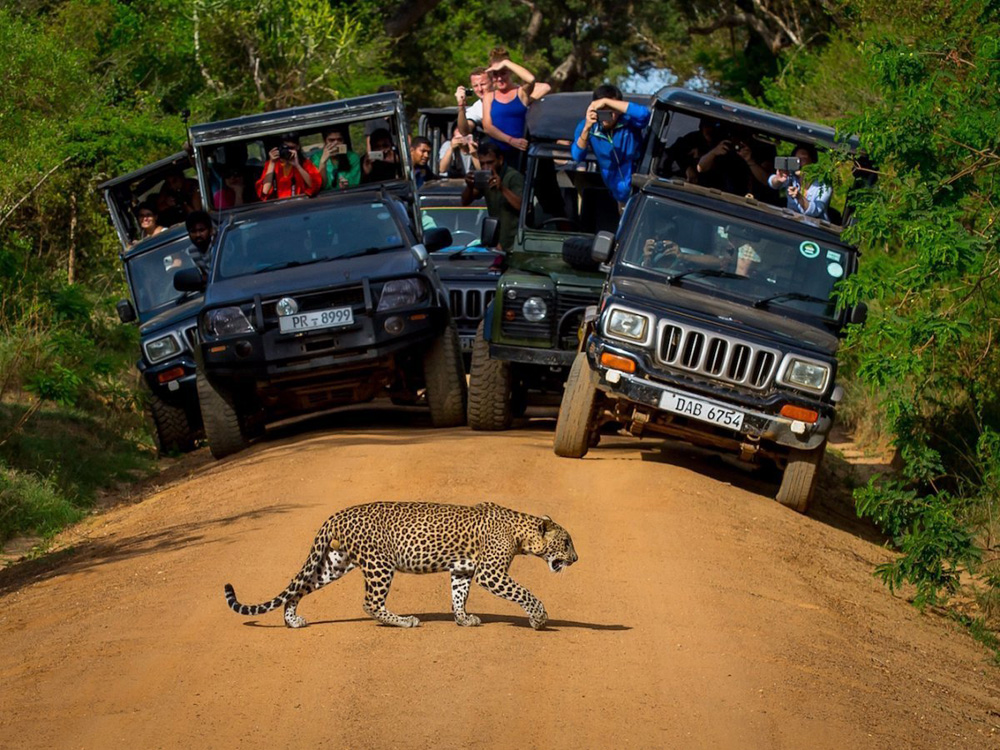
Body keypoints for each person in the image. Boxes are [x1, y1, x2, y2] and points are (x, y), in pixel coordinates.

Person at [571, 84, 651, 205]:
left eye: (611, 109)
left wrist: (605, 101)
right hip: (615, 192)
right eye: (602, 110)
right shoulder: (586, 126)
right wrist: (587, 128)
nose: (607, 115)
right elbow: (577, 156)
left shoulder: (629, 121)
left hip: (639, 188)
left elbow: (645, 115)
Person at [480, 48, 548, 161]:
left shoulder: (521, 92)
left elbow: (531, 79)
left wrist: (506, 63)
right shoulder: (489, 97)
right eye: (496, 74)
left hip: (519, 153)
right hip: (497, 155)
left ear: (510, 72)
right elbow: (487, 127)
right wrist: (510, 140)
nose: (500, 78)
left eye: (503, 73)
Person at [461, 142, 523, 251]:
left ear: (500, 160)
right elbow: (465, 201)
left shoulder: (513, 177)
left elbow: (522, 207)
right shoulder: (486, 178)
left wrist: (502, 188)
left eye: (490, 163)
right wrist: (469, 186)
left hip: (515, 243)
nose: (486, 167)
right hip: (497, 242)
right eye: (482, 163)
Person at [768, 143, 831, 220]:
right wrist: (778, 179)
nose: (799, 163)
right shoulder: (791, 177)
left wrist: (799, 197)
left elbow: (815, 211)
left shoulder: (823, 186)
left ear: (812, 162)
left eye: (803, 159)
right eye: (796, 160)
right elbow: (772, 183)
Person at [255, 132, 321, 201]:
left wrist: (298, 166)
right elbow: (264, 191)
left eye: (291, 148)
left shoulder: (304, 163)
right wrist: (272, 163)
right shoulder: (272, 164)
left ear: (298, 147)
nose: (288, 151)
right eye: (284, 148)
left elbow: (314, 186)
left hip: (300, 203)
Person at [456, 67, 491, 137]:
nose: (480, 89)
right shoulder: (476, 108)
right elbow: (464, 131)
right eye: (475, 86)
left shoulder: (507, 97)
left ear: (492, 82)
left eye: (483, 84)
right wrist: (461, 105)